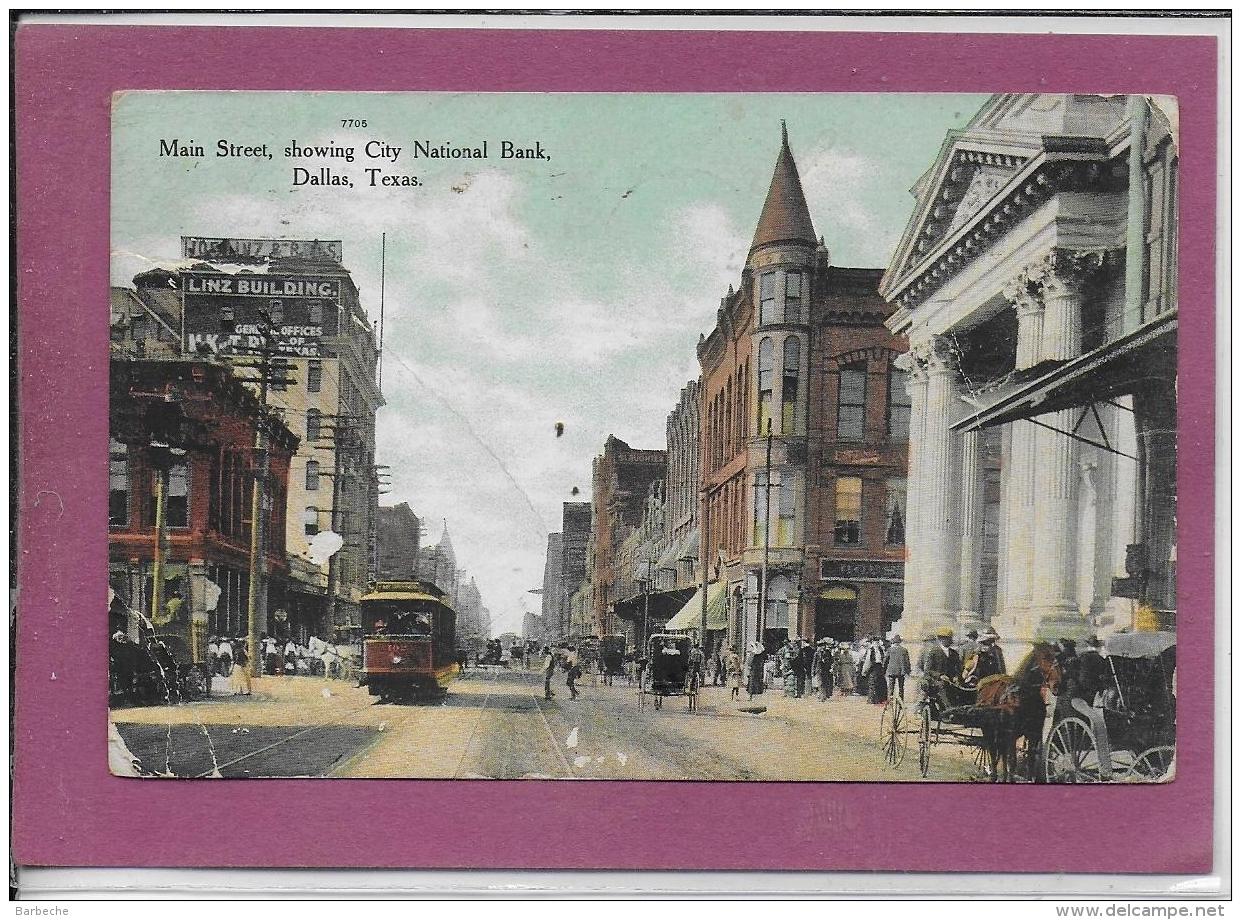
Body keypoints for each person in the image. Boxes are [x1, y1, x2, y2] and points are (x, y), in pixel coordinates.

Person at [884, 634, 912, 702]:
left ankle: (890, 701)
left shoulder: (890, 650)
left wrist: (884, 670)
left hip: (891, 671)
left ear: (893, 642)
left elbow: (885, 661)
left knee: (891, 687)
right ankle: (901, 701)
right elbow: (907, 662)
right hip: (901, 672)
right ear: (900, 642)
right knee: (901, 687)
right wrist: (908, 671)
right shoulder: (904, 650)